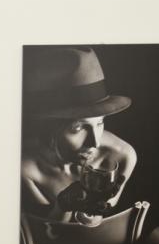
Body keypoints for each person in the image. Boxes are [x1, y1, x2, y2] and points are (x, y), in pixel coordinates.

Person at [21, 47, 138, 227]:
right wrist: (62, 206)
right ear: (48, 129)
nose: (94, 142)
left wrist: (93, 204)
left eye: (100, 122)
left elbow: (93, 222)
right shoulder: (26, 168)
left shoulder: (121, 156)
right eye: (78, 128)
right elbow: (49, 235)